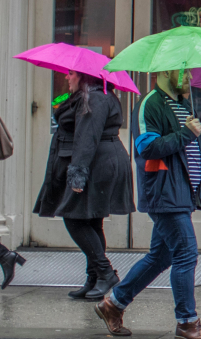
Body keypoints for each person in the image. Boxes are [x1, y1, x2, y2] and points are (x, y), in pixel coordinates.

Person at [94, 68, 201, 339]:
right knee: (186, 254)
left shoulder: (181, 103)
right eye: (184, 73)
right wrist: (186, 133)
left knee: (161, 256)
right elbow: (147, 148)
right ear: (165, 72)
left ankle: (113, 304)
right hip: (165, 193)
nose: (189, 78)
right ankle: (187, 322)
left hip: (180, 192)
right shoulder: (149, 103)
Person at [33, 70, 134, 300]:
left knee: (73, 217)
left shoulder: (95, 99)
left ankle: (106, 272)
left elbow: (87, 137)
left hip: (97, 163)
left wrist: (77, 175)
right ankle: (94, 277)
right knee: (91, 219)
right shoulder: (88, 96)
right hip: (99, 161)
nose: (66, 78)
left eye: (71, 74)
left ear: (85, 76)